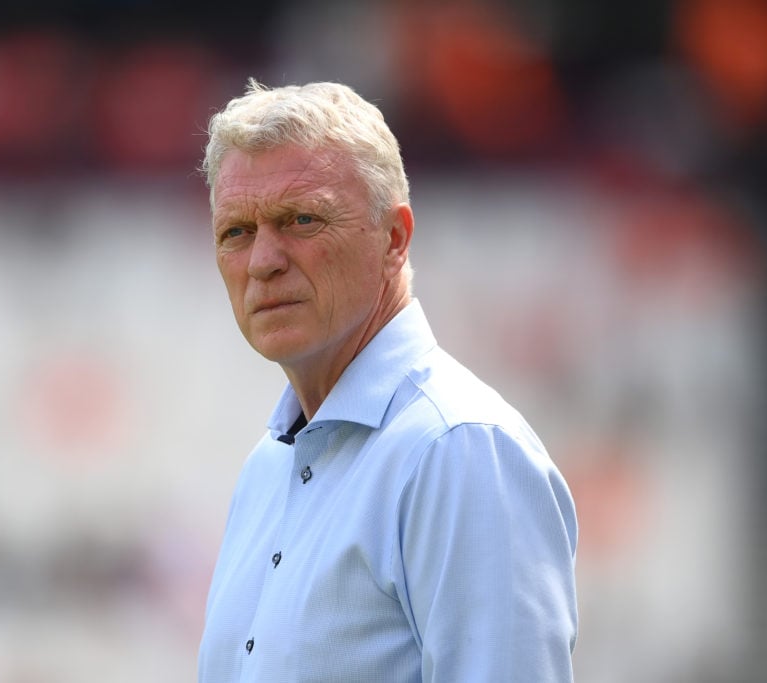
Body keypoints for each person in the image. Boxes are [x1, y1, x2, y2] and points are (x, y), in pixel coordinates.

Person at [197, 79, 578, 682]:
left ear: (394, 239)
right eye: (235, 232)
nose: (263, 261)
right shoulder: (266, 468)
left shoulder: (459, 449)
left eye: (301, 219)